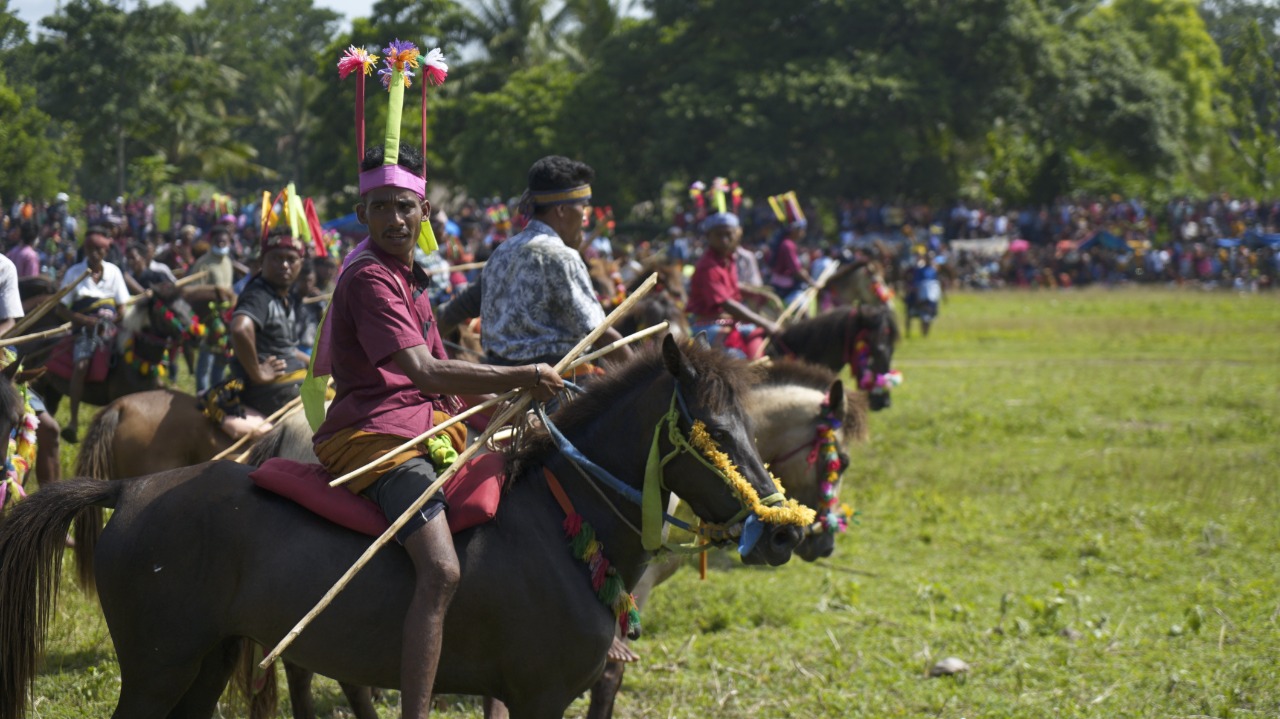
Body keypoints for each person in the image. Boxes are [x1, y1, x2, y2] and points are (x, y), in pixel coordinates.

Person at [312, 141, 563, 719]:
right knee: (442, 568)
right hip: (376, 435)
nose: (395, 219)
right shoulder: (372, 277)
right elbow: (421, 370)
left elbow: (442, 379)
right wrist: (519, 373)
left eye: (405, 207)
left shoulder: (410, 274)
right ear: (362, 214)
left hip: (422, 420)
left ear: (424, 213)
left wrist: (508, 409)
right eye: (381, 208)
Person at [476, 155, 628, 366]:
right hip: (553, 386)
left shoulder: (500, 253)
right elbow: (600, 334)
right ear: (562, 210)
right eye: (583, 208)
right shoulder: (561, 257)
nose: (585, 218)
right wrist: (644, 376)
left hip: (499, 380)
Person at [214, 230, 308, 439]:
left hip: (287, 382)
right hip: (270, 390)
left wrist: (316, 362)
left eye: (291, 259)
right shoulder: (259, 295)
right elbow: (240, 328)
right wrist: (258, 372)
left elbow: (285, 349)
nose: (284, 265)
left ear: (300, 264)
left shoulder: (283, 296)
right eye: (276, 258)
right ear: (261, 262)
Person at [55, 227, 132, 443]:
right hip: (86, 330)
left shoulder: (114, 272)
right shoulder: (74, 273)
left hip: (112, 328)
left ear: (106, 252)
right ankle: (73, 420)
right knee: (81, 366)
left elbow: (123, 306)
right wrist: (87, 321)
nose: (95, 254)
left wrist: (113, 320)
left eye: (99, 250)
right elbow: (61, 309)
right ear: (85, 250)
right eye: (91, 249)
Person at [686, 213, 779, 359]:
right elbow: (726, 302)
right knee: (737, 359)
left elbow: (731, 287)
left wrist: (757, 294)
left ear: (737, 235)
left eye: (728, 234)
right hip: (708, 326)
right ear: (709, 237)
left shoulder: (727, 260)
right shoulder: (707, 266)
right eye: (718, 235)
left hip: (732, 322)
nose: (724, 240)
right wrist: (764, 322)